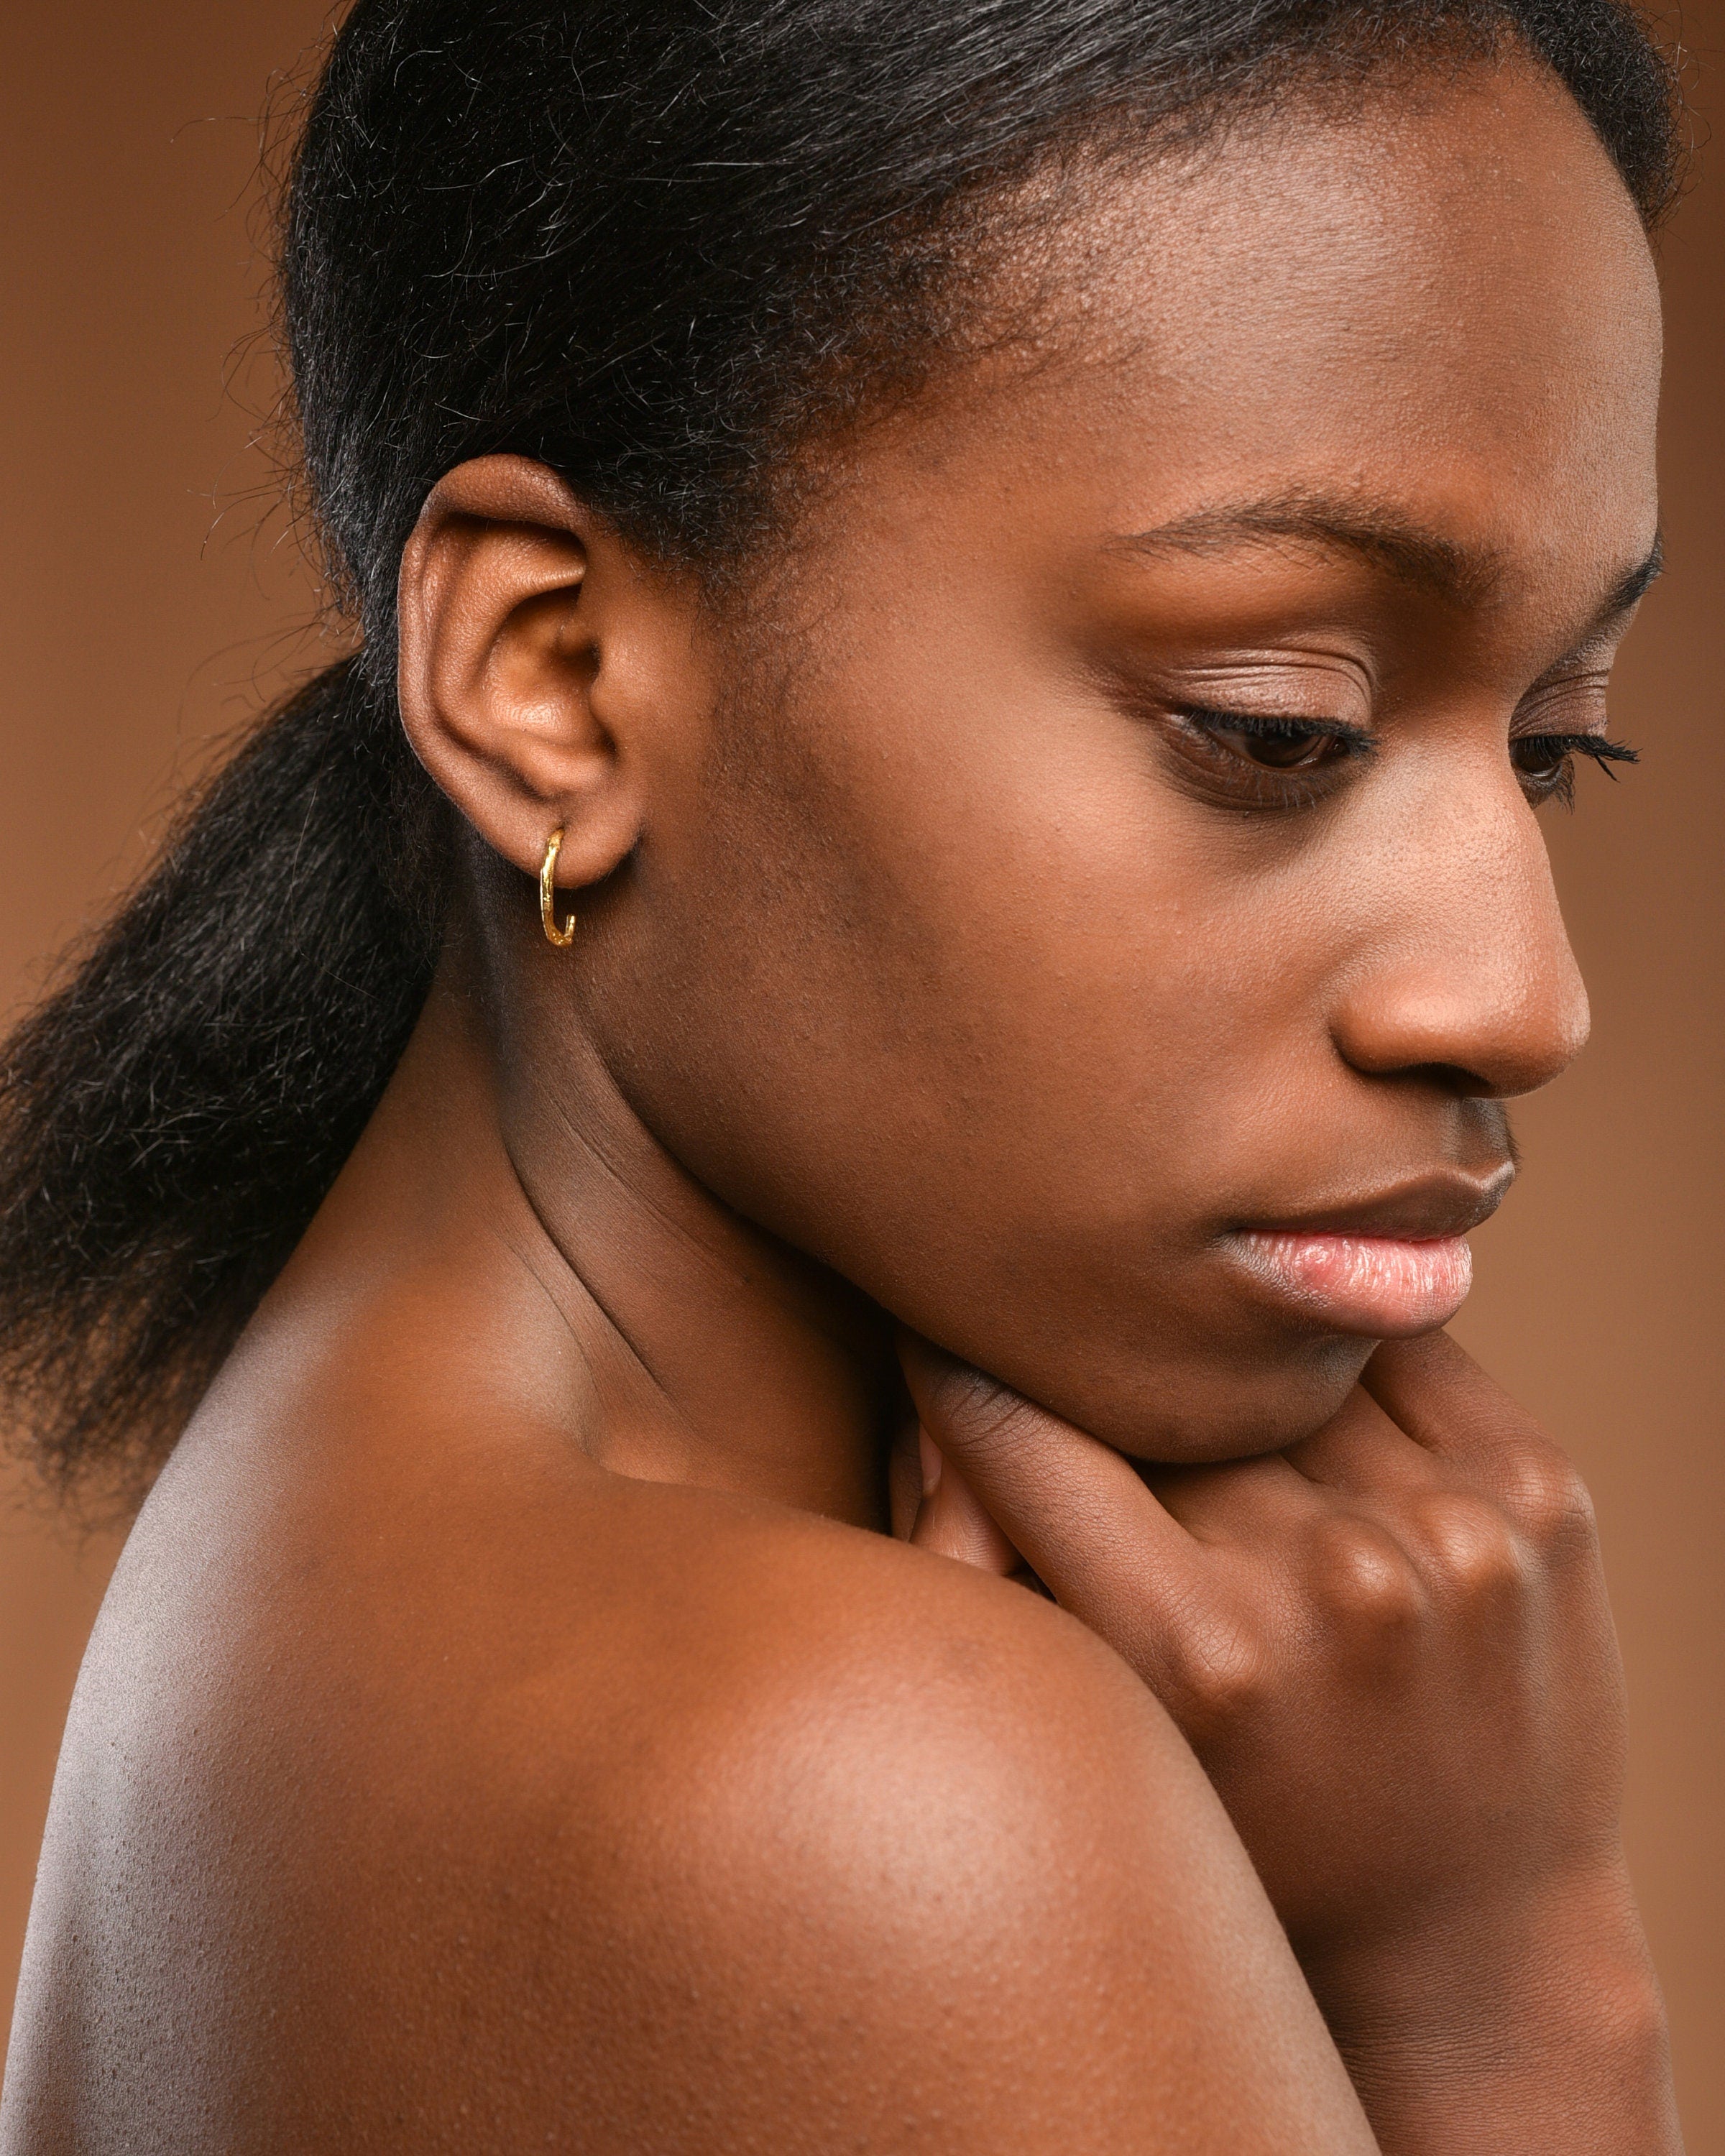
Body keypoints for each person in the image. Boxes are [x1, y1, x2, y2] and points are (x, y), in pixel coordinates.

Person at [0, 0, 1689, 2147]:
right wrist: (1510, 1994)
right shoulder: (848, 1782)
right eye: (1275, 723)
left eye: (1558, 744)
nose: (1520, 1000)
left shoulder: (292, 1575)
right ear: (556, 684)